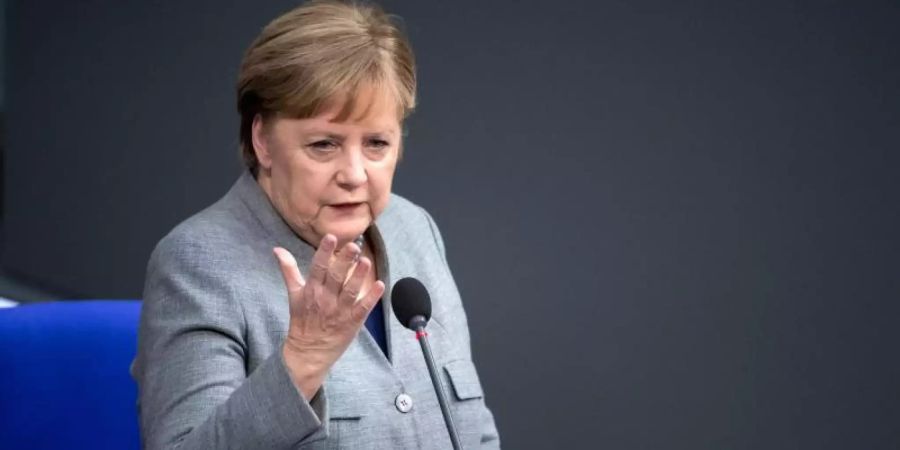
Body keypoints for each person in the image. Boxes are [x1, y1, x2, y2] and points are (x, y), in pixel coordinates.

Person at [131, 1, 500, 449]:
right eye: (324, 144)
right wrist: (301, 363)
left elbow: (474, 431)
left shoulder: (413, 229)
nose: (355, 174)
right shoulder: (197, 265)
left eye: (377, 144)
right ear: (263, 140)